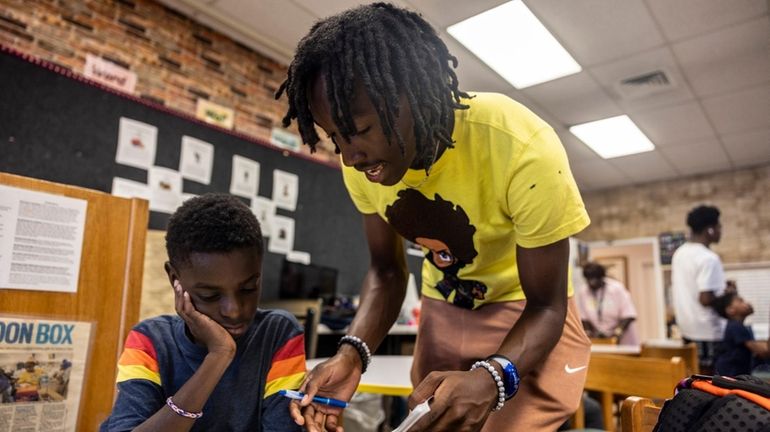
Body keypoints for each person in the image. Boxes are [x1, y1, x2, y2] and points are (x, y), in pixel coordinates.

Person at [276, 3, 591, 431]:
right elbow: (387, 273)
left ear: (415, 95)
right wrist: (351, 354)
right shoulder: (366, 166)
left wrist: (495, 376)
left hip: (528, 313)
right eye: (336, 137)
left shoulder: (520, 145)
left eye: (362, 131)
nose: (349, 157)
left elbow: (547, 306)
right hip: (446, 304)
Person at [100, 194, 305, 432]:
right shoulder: (149, 342)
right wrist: (218, 356)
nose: (234, 310)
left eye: (248, 289)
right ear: (174, 278)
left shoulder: (278, 335)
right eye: (210, 295)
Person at [671, 205, 735, 374]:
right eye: (719, 227)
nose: (721, 231)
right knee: (710, 384)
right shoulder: (709, 258)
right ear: (710, 230)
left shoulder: (680, 253)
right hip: (707, 332)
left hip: (687, 329)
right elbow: (705, 299)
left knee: (693, 381)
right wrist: (729, 294)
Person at [577, 262, 639, 345]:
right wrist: (588, 333)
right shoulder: (583, 292)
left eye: (595, 279)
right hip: (599, 337)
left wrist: (617, 332)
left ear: (602, 277)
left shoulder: (617, 288)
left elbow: (628, 315)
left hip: (622, 336)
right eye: (589, 279)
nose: (592, 283)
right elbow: (583, 317)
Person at [712, 292, 770, 376]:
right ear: (730, 310)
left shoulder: (737, 326)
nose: (747, 303)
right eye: (741, 301)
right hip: (730, 375)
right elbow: (763, 351)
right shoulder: (736, 326)